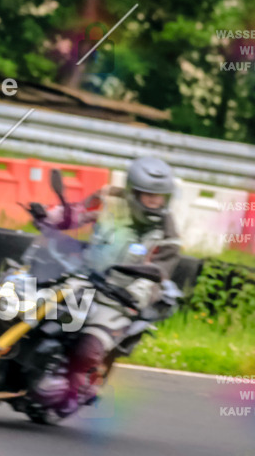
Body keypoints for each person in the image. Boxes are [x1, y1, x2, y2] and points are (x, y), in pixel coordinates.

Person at [34, 156, 182, 415]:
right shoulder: (109, 199)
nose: (155, 202)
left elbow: (160, 271)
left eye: (160, 197)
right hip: (82, 278)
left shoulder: (168, 234)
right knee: (33, 308)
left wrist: (133, 293)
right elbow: (77, 213)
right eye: (149, 195)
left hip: (120, 298)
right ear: (133, 191)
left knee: (88, 346)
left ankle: (75, 389)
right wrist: (49, 217)